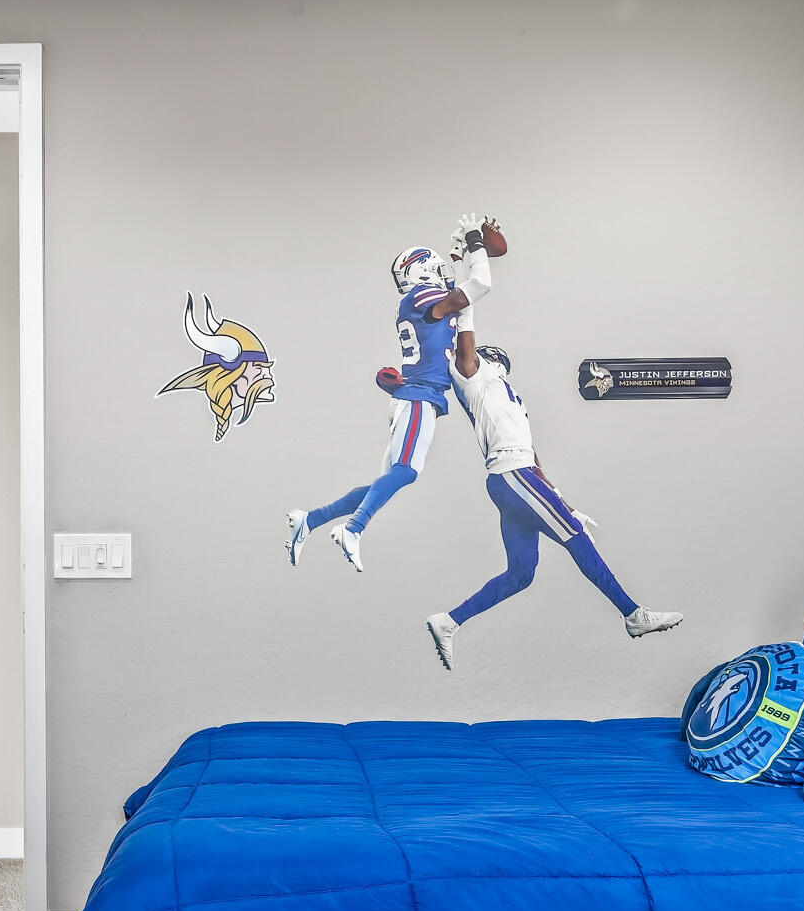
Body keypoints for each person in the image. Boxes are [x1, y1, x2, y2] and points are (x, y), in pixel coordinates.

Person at [423, 330, 683, 670]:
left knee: (521, 573)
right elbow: (466, 350)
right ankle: (634, 615)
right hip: (511, 474)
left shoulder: (510, 396)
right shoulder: (475, 379)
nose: (495, 362)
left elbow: (532, 454)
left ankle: (449, 621)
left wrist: (561, 499)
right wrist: (463, 308)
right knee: (576, 537)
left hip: (518, 476)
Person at [286, 213, 500, 572]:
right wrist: (476, 244)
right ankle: (352, 529)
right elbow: (481, 285)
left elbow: (466, 322)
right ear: (424, 269)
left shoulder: (426, 302)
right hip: (418, 397)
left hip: (416, 397)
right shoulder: (422, 297)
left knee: (384, 483)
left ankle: (309, 520)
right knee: (406, 471)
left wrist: (461, 259)